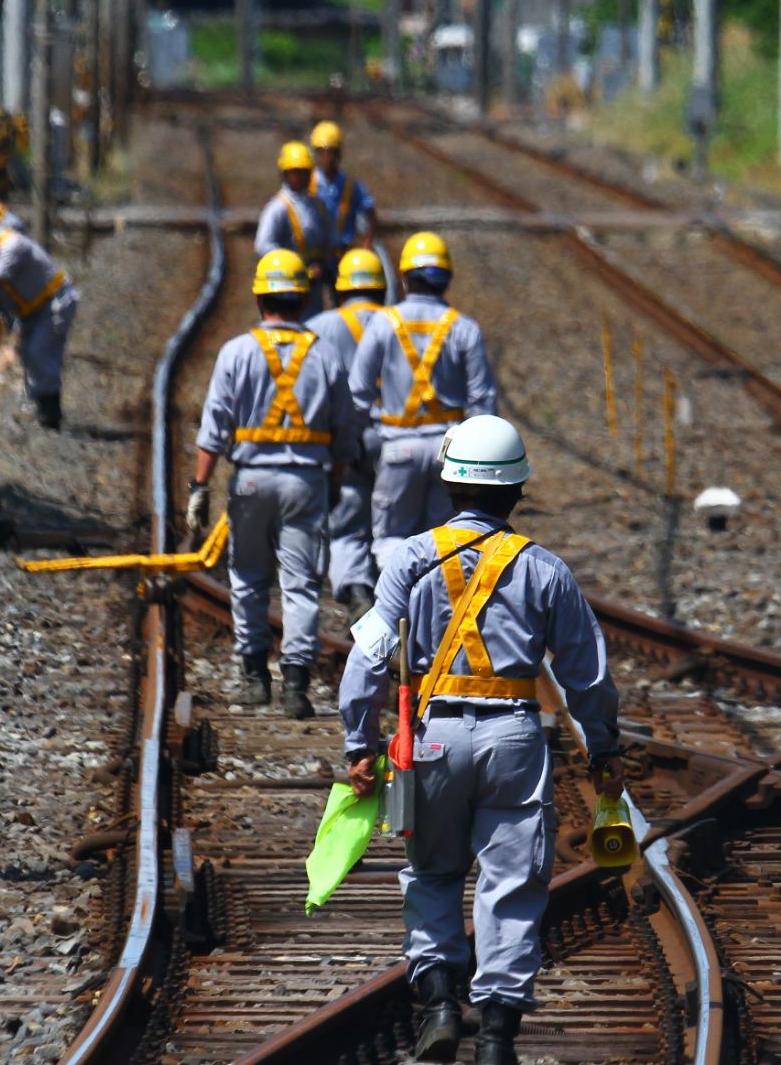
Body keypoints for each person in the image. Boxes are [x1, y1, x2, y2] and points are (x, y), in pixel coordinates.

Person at [339, 415, 622, 1065]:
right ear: (517, 489)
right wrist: (603, 748)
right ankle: (496, 1036)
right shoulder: (545, 569)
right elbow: (588, 674)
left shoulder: (409, 557)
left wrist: (359, 743)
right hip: (515, 740)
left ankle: (439, 1003)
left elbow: (367, 659)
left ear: (447, 483)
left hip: (430, 741)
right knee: (512, 886)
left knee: (432, 874)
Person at [187, 249, 359, 715]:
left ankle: (254, 677)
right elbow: (346, 431)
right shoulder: (325, 353)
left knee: (247, 578)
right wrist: (337, 481)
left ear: (260, 298)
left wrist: (200, 487)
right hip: (306, 482)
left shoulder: (236, 352)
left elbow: (214, 427)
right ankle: (296, 685)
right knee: (301, 584)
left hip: (251, 484)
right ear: (303, 300)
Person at [348, 231, 496, 570]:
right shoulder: (465, 328)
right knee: (445, 542)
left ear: (402, 277)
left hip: (399, 448)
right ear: (446, 279)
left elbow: (358, 393)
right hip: (450, 452)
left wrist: (355, 444)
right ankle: (438, 614)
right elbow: (482, 402)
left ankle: (398, 611)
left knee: (391, 541)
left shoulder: (383, 324)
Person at [307, 248, 387, 623]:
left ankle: (358, 594)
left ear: (339, 292)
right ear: (382, 290)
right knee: (397, 528)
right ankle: (397, 597)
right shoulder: (401, 322)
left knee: (347, 528)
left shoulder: (320, 327)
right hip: (396, 442)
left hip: (346, 444)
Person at [0, 217, 79, 430]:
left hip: (54, 302)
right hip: (30, 312)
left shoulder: (12, 246)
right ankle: (44, 410)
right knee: (30, 357)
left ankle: (50, 415)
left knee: (39, 351)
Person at [254, 142, 332, 319]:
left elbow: (326, 240)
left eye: (304, 172)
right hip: (287, 286)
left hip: (313, 285)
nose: (299, 177)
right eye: (294, 172)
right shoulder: (277, 207)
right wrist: (293, 265)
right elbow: (262, 244)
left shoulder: (316, 205)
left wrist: (323, 265)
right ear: (285, 173)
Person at [308, 120, 378, 255]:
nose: (327, 158)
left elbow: (371, 214)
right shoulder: (307, 184)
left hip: (343, 254)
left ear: (338, 153)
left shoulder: (351, 185)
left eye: (331, 152)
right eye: (322, 152)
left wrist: (367, 244)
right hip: (315, 256)